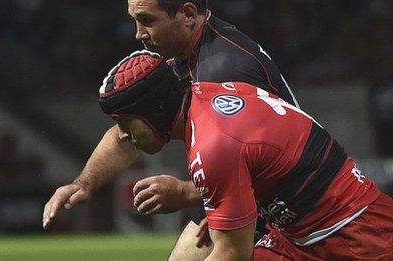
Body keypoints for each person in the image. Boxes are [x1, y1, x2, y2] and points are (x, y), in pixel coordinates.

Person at [43, 0, 298, 259]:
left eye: (148, 21)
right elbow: (132, 131)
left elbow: (265, 165)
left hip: (284, 206)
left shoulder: (225, 70)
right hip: (239, 191)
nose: (138, 33)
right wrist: (85, 183)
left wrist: (184, 193)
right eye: (135, 20)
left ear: (187, 14)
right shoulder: (180, 54)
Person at [97, 51, 393, 260]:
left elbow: (232, 253)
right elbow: (269, 164)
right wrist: (226, 207)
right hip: (300, 236)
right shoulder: (211, 96)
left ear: (154, 110)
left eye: (125, 122)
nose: (123, 134)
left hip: (355, 239)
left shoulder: (213, 145)